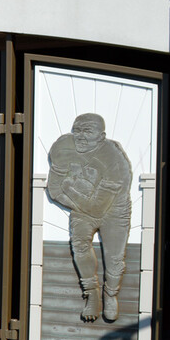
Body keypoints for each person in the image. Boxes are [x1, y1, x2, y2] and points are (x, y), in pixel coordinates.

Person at [47, 112, 132, 323]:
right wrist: (76, 196)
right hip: (82, 208)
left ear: (101, 137)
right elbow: (55, 190)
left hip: (114, 210)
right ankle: (91, 294)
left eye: (88, 131)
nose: (81, 136)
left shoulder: (114, 159)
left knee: (114, 258)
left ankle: (110, 294)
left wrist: (72, 190)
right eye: (77, 130)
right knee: (80, 245)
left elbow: (97, 206)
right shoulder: (62, 147)